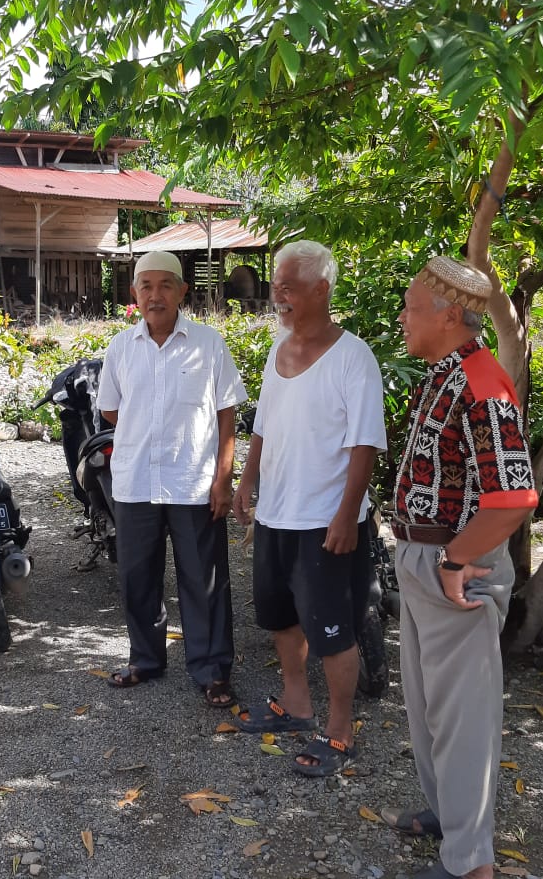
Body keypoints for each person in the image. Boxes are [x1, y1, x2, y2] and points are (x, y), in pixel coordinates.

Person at [382, 257, 538, 879]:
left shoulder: (481, 383)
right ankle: (450, 816)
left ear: (449, 316)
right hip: (429, 563)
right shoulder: (447, 374)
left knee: (463, 718)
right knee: (429, 708)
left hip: (456, 571)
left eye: (411, 308)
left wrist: (452, 562)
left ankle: (471, 867)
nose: (402, 318)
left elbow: (514, 498)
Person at [233, 240, 386, 777]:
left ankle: (340, 732)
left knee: (333, 630)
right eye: (276, 284)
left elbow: (365, 443)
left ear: (321, 289)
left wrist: (347, 514)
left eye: (289, 286)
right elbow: (264, 424)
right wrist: (246, 480)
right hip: (276, 513)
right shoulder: (278, 349)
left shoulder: (353, 357)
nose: (278, 294)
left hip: (325, 520)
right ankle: (296, 704)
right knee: (280, 615)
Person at [97, 250, 247, 709]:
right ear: (134, 293)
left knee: (204, 580)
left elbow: (227, 413)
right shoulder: (121, 347)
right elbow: (111, 410)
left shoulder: (208, 344)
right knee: (137, 577)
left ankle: (211, 669)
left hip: (193, 482)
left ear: (183, 291)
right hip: (137, 481)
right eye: (146, 286)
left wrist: (223, 478)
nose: (155, 295)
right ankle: (146, 659)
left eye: (166, 285)